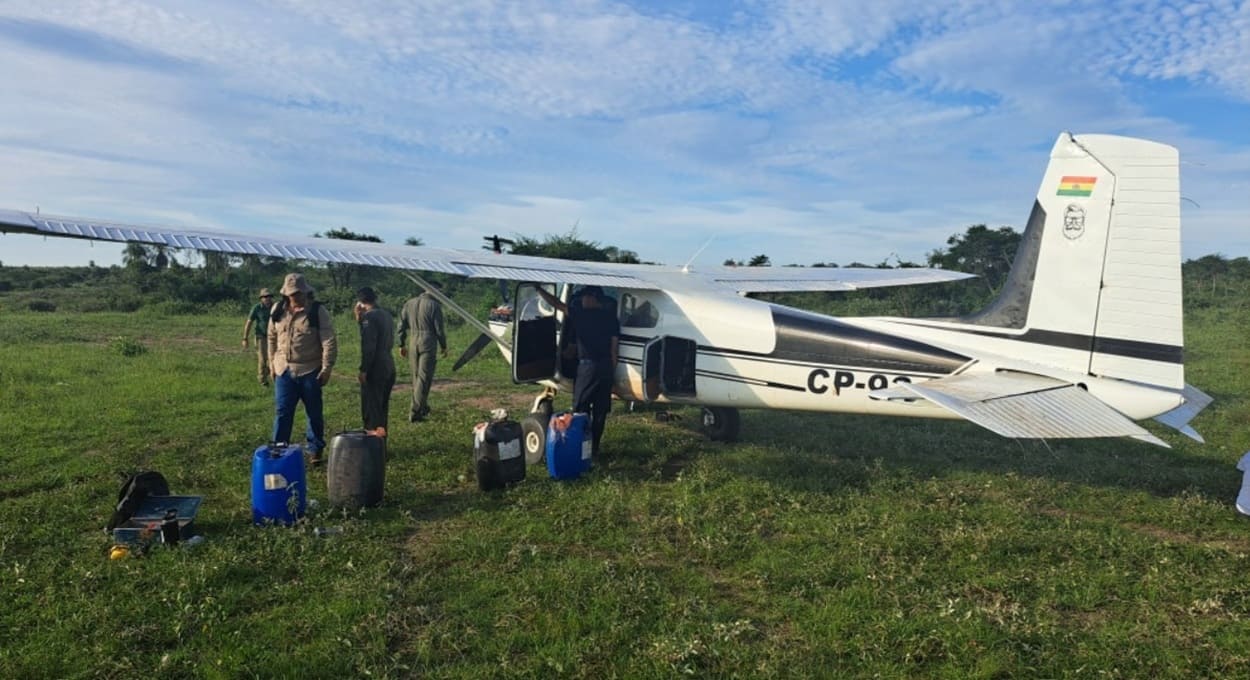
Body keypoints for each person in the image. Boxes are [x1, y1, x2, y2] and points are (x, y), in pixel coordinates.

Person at [535, 285, 620, 457]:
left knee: (580, 408)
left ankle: (579, 447)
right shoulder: (612, 318)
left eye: (585, 297)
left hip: (587, 367)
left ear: (592, 298)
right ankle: (594, 448)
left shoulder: (581, 315)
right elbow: (614, 350)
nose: (582, 300)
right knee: (600, 411)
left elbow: (558, 304)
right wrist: (611, 374)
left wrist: (539, 290)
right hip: (606, 368)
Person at [269, 273, 337, 465]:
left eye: (298, 293)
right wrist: (271, 364)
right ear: (286, 294)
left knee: (313, 412)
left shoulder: (317, 311)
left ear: (306, 291)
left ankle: (315, 450)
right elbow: (271, 337)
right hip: (283, 369)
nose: (295, 297)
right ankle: (278, 449)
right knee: (283, 412)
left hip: (310, 369)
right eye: (291, 294)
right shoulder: (278, 309)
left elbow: (328, 340)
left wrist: (327, 367)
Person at [398, 285, 447, 421]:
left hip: (413, 340)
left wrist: (401, 343)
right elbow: (439, 329)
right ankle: (415, 412)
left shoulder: (409, 303)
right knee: (424, 377)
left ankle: (423, 406)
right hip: (428, 341)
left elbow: (401, 325)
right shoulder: (434, 305)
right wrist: (444, 345)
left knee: (416, 377)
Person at [354, 286, 396, 436]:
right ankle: (381, 446)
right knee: (382, 407)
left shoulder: (369, 318)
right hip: (389, 363)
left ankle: (373, 448)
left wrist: (364, 369)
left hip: (375, 366)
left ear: (360, 302)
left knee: (371, 409)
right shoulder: (386, 315)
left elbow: (369, 346)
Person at [242, 288, 276, 386]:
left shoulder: (276, 307)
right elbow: (249, 322)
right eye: (265, 297)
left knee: (273, 358)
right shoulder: (257, 308)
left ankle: (273, 376)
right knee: (262, 359)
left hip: (274, 336)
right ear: (261, 298)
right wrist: (245, 338)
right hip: (261, 336)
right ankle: (262, 380)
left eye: (269, 296)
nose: (267, 299)